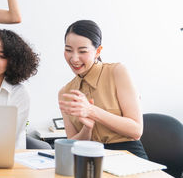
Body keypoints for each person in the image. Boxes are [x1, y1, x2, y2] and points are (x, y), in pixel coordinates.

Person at [58, 20, 148, 159]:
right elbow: (72, 143)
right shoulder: (65, 92)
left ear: (97, 51)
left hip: (128, 156)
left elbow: (136, 130)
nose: (74, 58)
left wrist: (92, 111)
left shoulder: (117, 72)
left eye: (82, 51)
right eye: (68, 50)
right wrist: (87, 129)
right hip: (88, 158)